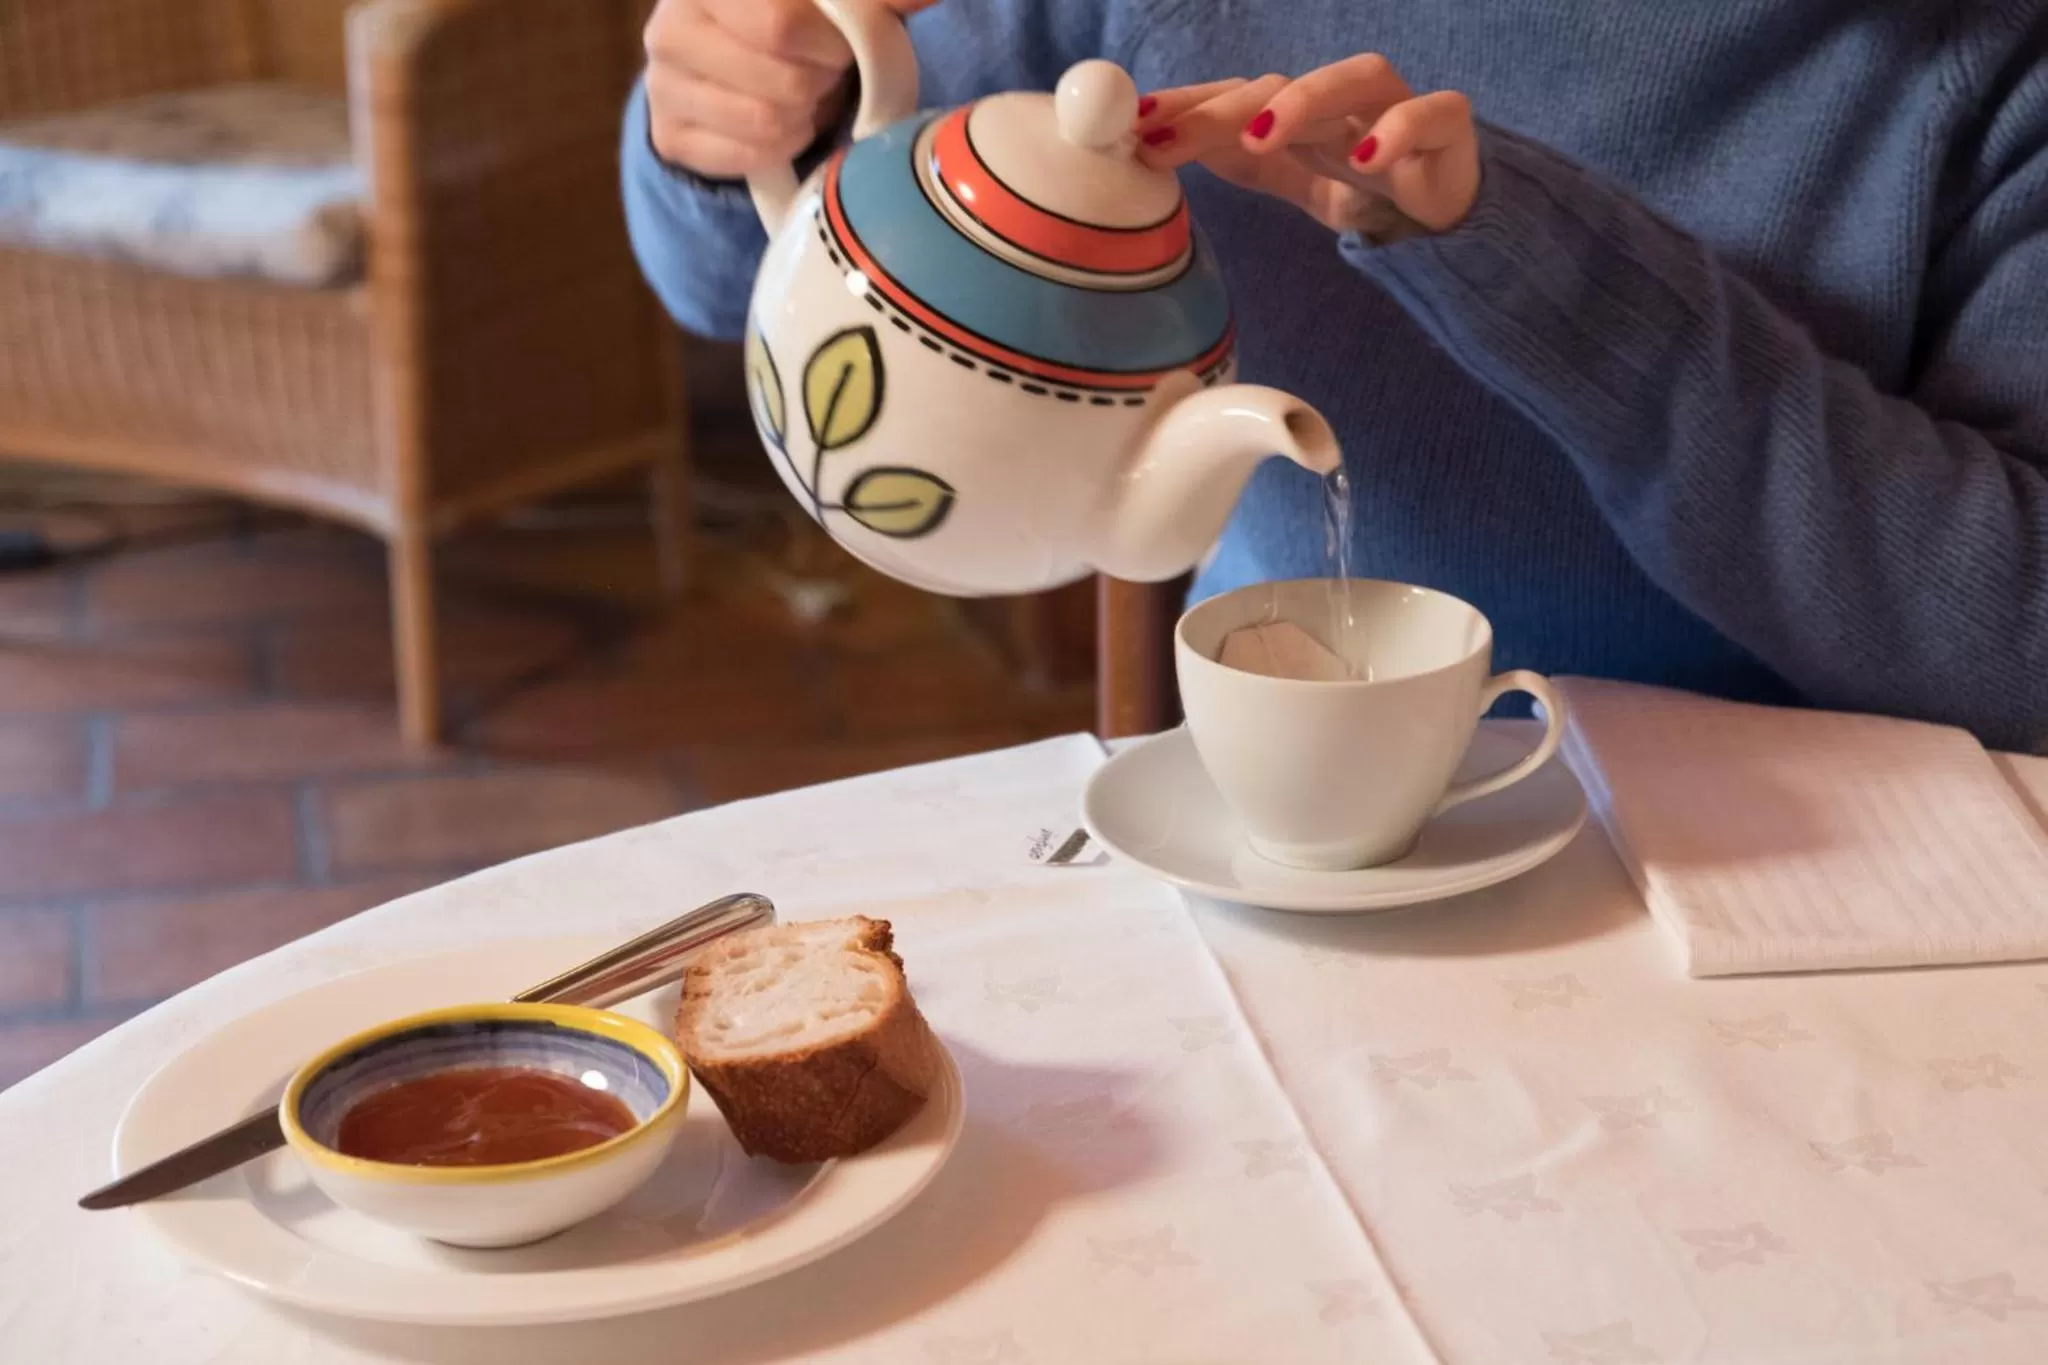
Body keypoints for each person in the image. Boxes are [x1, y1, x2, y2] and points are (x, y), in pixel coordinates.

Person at [622, 0, 2048, 753]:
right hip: (1285, 827)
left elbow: (2019, 645)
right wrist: (734, 111)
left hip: (1820, 907)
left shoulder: (1986, 66)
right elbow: (732, 281)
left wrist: (1546, 270)